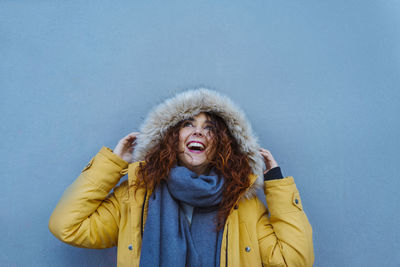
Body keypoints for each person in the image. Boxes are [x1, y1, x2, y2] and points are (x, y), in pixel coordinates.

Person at [49, 89, 314, 267]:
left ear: (221, 144)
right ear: (171, 138)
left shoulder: (242, 203)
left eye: (209, 128)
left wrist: (276, 184)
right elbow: (67, 226)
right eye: (188, 124)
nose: (198, 133)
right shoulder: (136, 194)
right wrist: (112, 165)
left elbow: (293, 260)